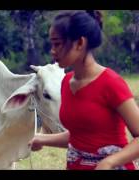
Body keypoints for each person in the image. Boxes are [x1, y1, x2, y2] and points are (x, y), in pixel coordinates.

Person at [28, 10, 139, 170]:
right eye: (51, 44)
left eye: (57, 44)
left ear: (80, 43)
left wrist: (109, 162)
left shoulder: (111, 82)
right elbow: (80, 136)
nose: (52, 51)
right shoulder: (66, 82)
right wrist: (42, 139)